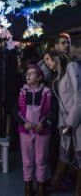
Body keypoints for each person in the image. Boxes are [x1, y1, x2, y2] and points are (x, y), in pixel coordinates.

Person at [44, 50, 81, 195]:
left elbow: (79, 95)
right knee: (64, 152)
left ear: (56, 57)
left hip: (78, 118)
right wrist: (62, 124)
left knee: (79, 153)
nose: (47, 63)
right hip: (67, 121)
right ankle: (56, 181)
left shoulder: (72, 66)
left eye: (48, 59)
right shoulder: (57, 77)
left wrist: (70, 123)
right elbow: (61, 106)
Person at [15, 64, 52, 196]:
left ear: (40, 77)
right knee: (27, 160)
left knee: (41, 159)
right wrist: (24, 123)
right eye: (27, 74)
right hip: (25, 130)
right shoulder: (22, 92)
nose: (28, 75)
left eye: (32, 73)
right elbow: (16, 111)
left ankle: (41, 186)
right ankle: (28, 187)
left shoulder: (47, 92)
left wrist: (44, 123)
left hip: (42, 130)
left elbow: (52, 112)